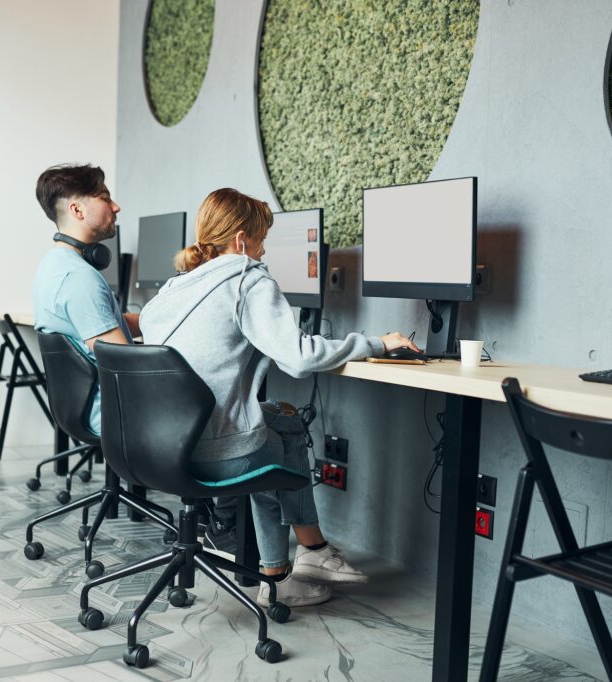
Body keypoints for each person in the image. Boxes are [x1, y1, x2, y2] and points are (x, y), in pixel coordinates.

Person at [139, 188, 420, 607]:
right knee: (278, 438)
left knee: (281, 423)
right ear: (239, 241)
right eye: (261, 239)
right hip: (213, 452)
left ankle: (294, 563)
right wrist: (376, 343)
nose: (263, 249)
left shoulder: (169, 291)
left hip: (156, 448)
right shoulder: (246, 279)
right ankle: (300, 561)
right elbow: (298, 358)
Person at [32, 163, 139, 435]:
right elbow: (124, 364)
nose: (116, 207)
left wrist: (159, 317)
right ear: (77, 210)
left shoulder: (53, 264)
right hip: (114, 412)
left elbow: (99, 327)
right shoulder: (80, 279)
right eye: (104, 198)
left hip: (82, 407)